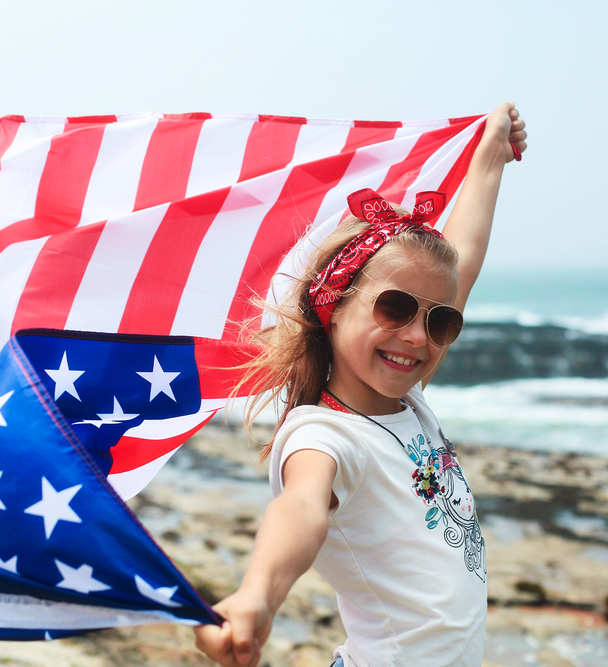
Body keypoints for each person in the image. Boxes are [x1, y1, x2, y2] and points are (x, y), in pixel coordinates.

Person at [194, 102, 527, 667]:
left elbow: (462, 262)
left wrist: (491, 156)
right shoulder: (323, 436)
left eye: (439, 320)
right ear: (335, 307)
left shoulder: (408, 401)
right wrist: (258, 594)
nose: (418, 337)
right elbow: (300, 509)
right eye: (394, 308)